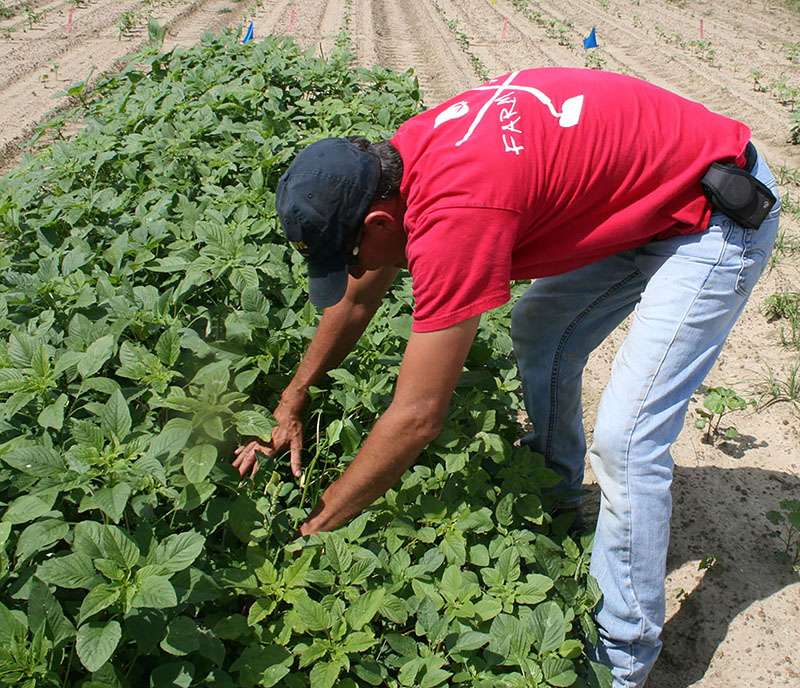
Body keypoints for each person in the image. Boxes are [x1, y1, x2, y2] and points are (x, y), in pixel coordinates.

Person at [232, 68, 780, 688]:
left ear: (380, 224)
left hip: (716, 211)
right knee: (541, 327)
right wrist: (293, 397)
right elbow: (358, 298)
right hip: (646, 197)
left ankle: (620, 661)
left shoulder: (458, 211)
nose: (354, 272)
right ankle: (556, 490)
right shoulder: (396, 164)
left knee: (627, 441)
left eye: (349, 256)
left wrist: (314, 529)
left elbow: (417, 417)